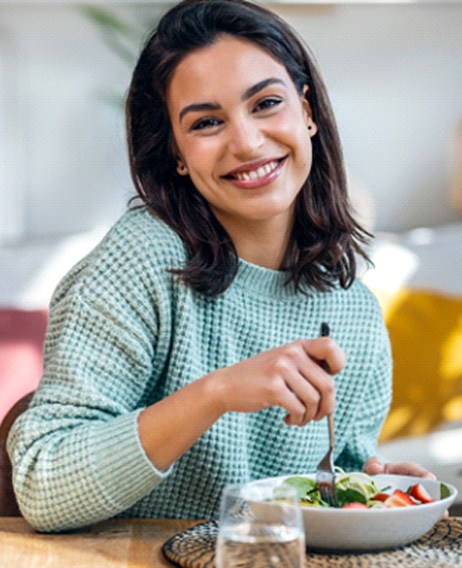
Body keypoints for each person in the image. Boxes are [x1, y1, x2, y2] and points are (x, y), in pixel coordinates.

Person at [8, 0, 433, 533]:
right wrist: (216, 393)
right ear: (178, 154)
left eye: (267, 104)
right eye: (207, 122)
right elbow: (43, 485)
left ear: (307, 113)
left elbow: (327, 480)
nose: (247, 142)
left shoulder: (356, 314)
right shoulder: (142, 262)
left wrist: (366, 489)